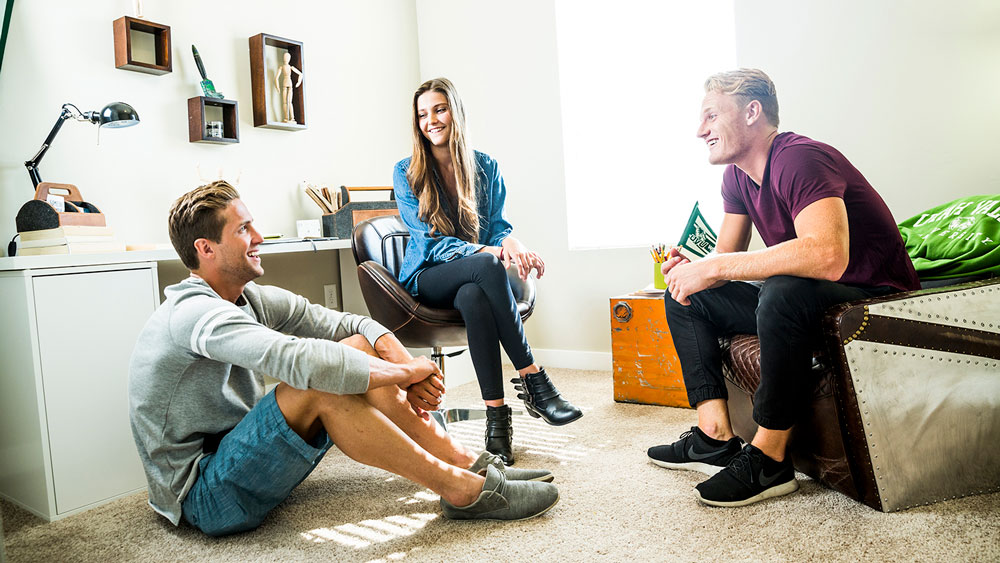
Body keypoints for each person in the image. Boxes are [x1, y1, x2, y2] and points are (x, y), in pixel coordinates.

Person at [128, 181, 560, 536]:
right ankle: (461, 490)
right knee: (322, 385)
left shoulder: (246, 299)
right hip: (202, 497)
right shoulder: (193, 315)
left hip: (236, 455)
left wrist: (390, 347)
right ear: (206, 249)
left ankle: (469, 464)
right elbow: (297, 359)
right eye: (243, 230)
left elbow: (338, 322)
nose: (259, 238)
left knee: (351, 348)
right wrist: (406, 371)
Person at [646, 69, 919, 507]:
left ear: (753, 111)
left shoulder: (800, 158)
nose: (701, 130)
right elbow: (725, 263)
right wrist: (696, 270)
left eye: (711, 116)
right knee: (687, 294)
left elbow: (829, 256)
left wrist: (717, 266)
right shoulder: (736, 177)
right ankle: (713, 436)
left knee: (783, 291)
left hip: (872, 298)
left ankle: (770, 460)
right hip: (814, 297)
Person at [393, 78, 582, 465]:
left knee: (474, 296)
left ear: (455, 112)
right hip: (428, 275)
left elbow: (498, 225)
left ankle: (497, 423)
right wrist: (493, 250)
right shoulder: (406, 171)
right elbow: (430, 242)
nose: (431, 120)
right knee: (485, 263)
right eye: (423, 114)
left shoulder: (485, 166)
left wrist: (510, 242)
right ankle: (534, 379)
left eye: (439, 109)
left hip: (472, 279)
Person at [274, 51, 303, 123]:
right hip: (288, 83)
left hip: (287, 83)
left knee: (287, 102)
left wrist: (299, 82)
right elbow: (276, 78)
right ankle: (288, 117)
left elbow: (300, 74)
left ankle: (291, 118)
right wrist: (277, 87)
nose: (286, 58)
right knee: (287, 102)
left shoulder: (287, 67)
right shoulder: (287, 67)